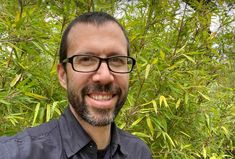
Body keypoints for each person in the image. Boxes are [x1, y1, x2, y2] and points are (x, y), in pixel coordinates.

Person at [0, 12, 152, 159]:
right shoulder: (15, 154)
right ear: (63, 75)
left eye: (117, 60)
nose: (105, 76)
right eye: (86, 59)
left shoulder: (139, 152)